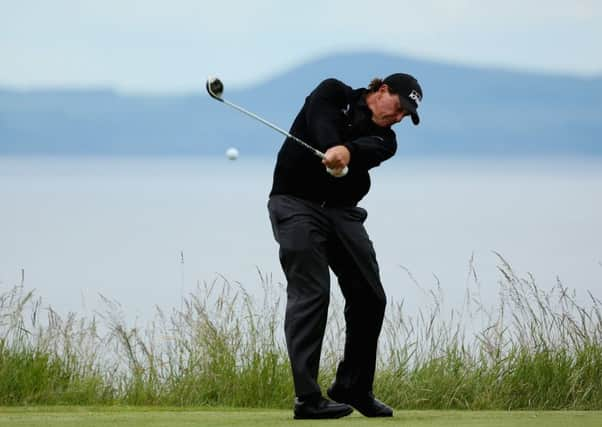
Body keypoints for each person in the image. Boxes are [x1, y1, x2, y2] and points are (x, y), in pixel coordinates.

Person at [267, 73, 423, 419]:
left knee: (370, 296)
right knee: (313, 292)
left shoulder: (386, 141)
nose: (397, 118)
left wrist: (347, 152)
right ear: (381, 91)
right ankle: (307, 399)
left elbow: (363, 151)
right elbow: (320, 119)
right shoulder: (332, 92)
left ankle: (353, 386)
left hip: (341, 213)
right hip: (294, 204)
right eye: (398, 108)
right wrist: (333, 146)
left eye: (404, 116)